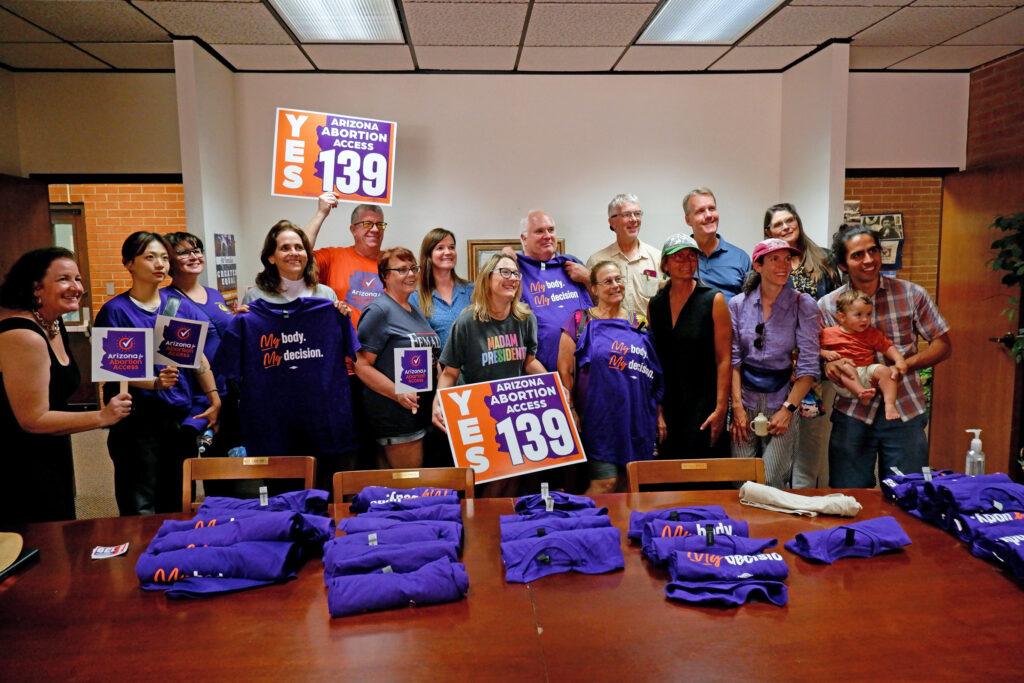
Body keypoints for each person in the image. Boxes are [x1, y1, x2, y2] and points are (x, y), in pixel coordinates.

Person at [0, 248, 132, 525]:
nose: (76, 287)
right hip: (17, 460)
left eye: (78, 278)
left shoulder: (52, 323)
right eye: (64, 279)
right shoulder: (23, 335)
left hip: (49, 449)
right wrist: (101, 416)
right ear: (36, 288)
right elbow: (33, 419)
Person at [95, 232, 220, 515]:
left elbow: (196, 357)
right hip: (137, 422)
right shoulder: (116, 311)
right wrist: (153, 384)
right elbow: (115, 369)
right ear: (129, 263)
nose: (160, 264)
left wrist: (213, 398)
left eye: (164, 257)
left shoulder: (177, 305)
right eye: (150, 257)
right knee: (139, 500)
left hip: (176, 417)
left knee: (175, 498)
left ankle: (170, 556)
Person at [819, 226, 951, 488]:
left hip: (905, 409)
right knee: (850, 497)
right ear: (843, 265)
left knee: (910, 494)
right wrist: (829, 365)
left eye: (873, 250)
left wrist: (903, 365)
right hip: (853, 413)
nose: (868, 260)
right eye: (858, 255)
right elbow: (815, 356)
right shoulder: (827, 306)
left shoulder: (911, 294)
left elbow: (943, 345)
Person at [431, 254, 545, 495]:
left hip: (513, 409)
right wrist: (438, 402)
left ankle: (506, 528)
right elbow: (449, 373)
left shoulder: (525, 318)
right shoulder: (467, 322)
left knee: (514, 476)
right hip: (478, 413)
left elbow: (529, 362)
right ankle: (483, 530)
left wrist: (554, 387)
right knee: (490, 483)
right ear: (486, 279)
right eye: (505, 272)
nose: (512, 278)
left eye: (515, 274)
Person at [557, 261, 664, 494]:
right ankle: (580, 526)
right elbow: (564, 370)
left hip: (635, 417)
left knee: (629, 485)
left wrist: (659, 415)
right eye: (607, 281)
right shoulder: (579, 321)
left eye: (618, 279)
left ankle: (617, 530)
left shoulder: (639, 322)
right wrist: (572, 409)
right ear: (593, 288)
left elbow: (653, 373)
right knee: (605, 483)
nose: (615, 285)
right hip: (598, 419)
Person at [729, 238, 820, 489]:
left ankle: (771, 529)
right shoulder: (738, 305)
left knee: (771, 480)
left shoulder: (803, 304)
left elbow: (809, 366)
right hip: (744, 400)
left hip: (783, 399)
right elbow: (734, 360)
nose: (783, 266)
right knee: (741, 481)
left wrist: (788, 410)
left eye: (787, 259)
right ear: (758, 266)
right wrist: (736, 407)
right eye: (774, 259)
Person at [763, 202, 840, 487]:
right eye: (779, 224)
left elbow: (836, 308)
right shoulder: (767, 265)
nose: (786, 227)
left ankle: (803, 504)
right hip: (780, 366)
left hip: (816, 364)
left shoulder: (823, 259)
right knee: (780, 440)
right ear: (768, 231)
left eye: (790, 220)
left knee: (810, 443)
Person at [647, 234, 731, 461]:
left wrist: (721, 409)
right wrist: (658, 409)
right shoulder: (655, 305)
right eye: (679, 257)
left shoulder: (713, 299)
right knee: (669, 478)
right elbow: (654, 361)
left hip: (704, 404)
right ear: (665, 264)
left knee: (703, 474)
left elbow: (724, 359)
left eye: (692, 256)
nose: (686, 261)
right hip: (669, 403)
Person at [355, 248, 441, 469]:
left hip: (420, 411)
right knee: (409, 488)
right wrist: (397, 393)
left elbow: (431, 356)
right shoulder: (378, 311)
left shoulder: (414, 309)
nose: (411, 274)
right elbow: (361, 365)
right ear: (385, 275)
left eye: (413, 268)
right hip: (396, 415)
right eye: (402, 270)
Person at [165, 232, 241, 460]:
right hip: (200, 395)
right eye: (183, 252)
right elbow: (171, 352)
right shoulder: (168, 301)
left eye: (196, 251)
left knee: (232, 461)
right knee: (207, 461)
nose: (193, 256)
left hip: (230, 390)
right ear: (169, 260)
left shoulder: (214, 294)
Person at [510, 210, 592, 375]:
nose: (547, 235)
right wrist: (504, 258)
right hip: (542, 371)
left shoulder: (573, 263)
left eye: (551, 230)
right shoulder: (516, 269)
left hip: (588, 367)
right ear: (524, 239)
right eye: (539, 231)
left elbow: (604, 304)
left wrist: (589, 278)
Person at [821, 289, 908, 421]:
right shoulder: (828, 333)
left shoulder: (871, 333)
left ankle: (889, 404)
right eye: (859, 315)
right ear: (841, 317)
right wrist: (826, 353)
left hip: (867, 373)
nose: (865, 319)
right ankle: (861, 393)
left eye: (868, 314)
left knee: (885, 370)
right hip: (844, 380)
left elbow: (887, 347)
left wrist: (899, 360)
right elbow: (812, 349)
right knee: (846, 365)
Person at [303, 192, 385, 326]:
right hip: (342, 343)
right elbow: (299, 254)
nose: (375, 230)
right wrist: (321, 213)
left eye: (380, 225)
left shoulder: (392, 262)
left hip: (383, 345)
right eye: (368, 224)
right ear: (353, 230)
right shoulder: (333, 257)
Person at [585, 194, 663, 317]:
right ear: (612, 222)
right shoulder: (597, 261)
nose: (634, 219)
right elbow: (591, 306)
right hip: (611, 333)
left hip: (648, 334)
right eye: (627, 215)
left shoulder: (657, 258)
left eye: (637, 214)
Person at [242, 221, 339, 305]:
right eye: (285, 248)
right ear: (271, 257)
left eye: (299, 247)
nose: (294, 253)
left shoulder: (326, 295)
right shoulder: (254, 298)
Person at [410, 228, 473, 349]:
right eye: (440, 248)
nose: (448, 252)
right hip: (437, 366)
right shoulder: (415, 296)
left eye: (451, 247)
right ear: (429, 255)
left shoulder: (471, 290)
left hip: (474, 366)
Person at [683, 187, 751, 299]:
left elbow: (751, 304)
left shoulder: (740, 258)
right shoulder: (679, 258)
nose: (709, 215)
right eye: (700, 211)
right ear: (688, 220)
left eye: (712, 209)